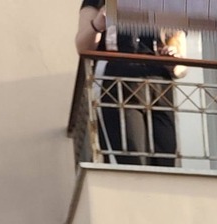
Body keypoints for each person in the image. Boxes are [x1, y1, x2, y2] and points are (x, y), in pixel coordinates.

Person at [76, 0, 177, 167]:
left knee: (165, 158)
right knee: (130, 158)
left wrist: (173, 57)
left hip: (160, 83)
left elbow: (181, 64)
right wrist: (97, 25)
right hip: (117, 77)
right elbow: (82, 47)